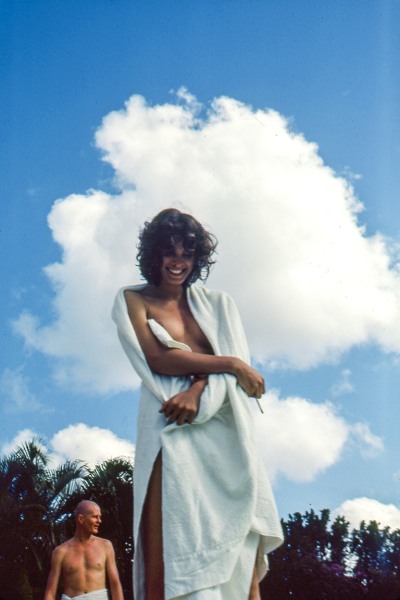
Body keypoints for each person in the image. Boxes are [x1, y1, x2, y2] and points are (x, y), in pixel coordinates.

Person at [112, 208, 283, 600]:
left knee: (240, 539)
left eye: (187, 254)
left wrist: (197, 389)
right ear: (153, 255)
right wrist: (232, 364)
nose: (178, 262)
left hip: (221, 427)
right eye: (169, 252)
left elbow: (237, 379)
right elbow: (158, 359)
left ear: (197, 258)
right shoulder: (133, 300)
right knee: (168, 541)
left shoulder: (218, 304)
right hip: (168, 423)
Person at [43, 500, 124, 600]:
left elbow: (115, 584)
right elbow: (50, 591)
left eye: (99, 517)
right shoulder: (61, 552)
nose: (99, 521)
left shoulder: (105, 546)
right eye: (95, 517)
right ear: (81, 519)